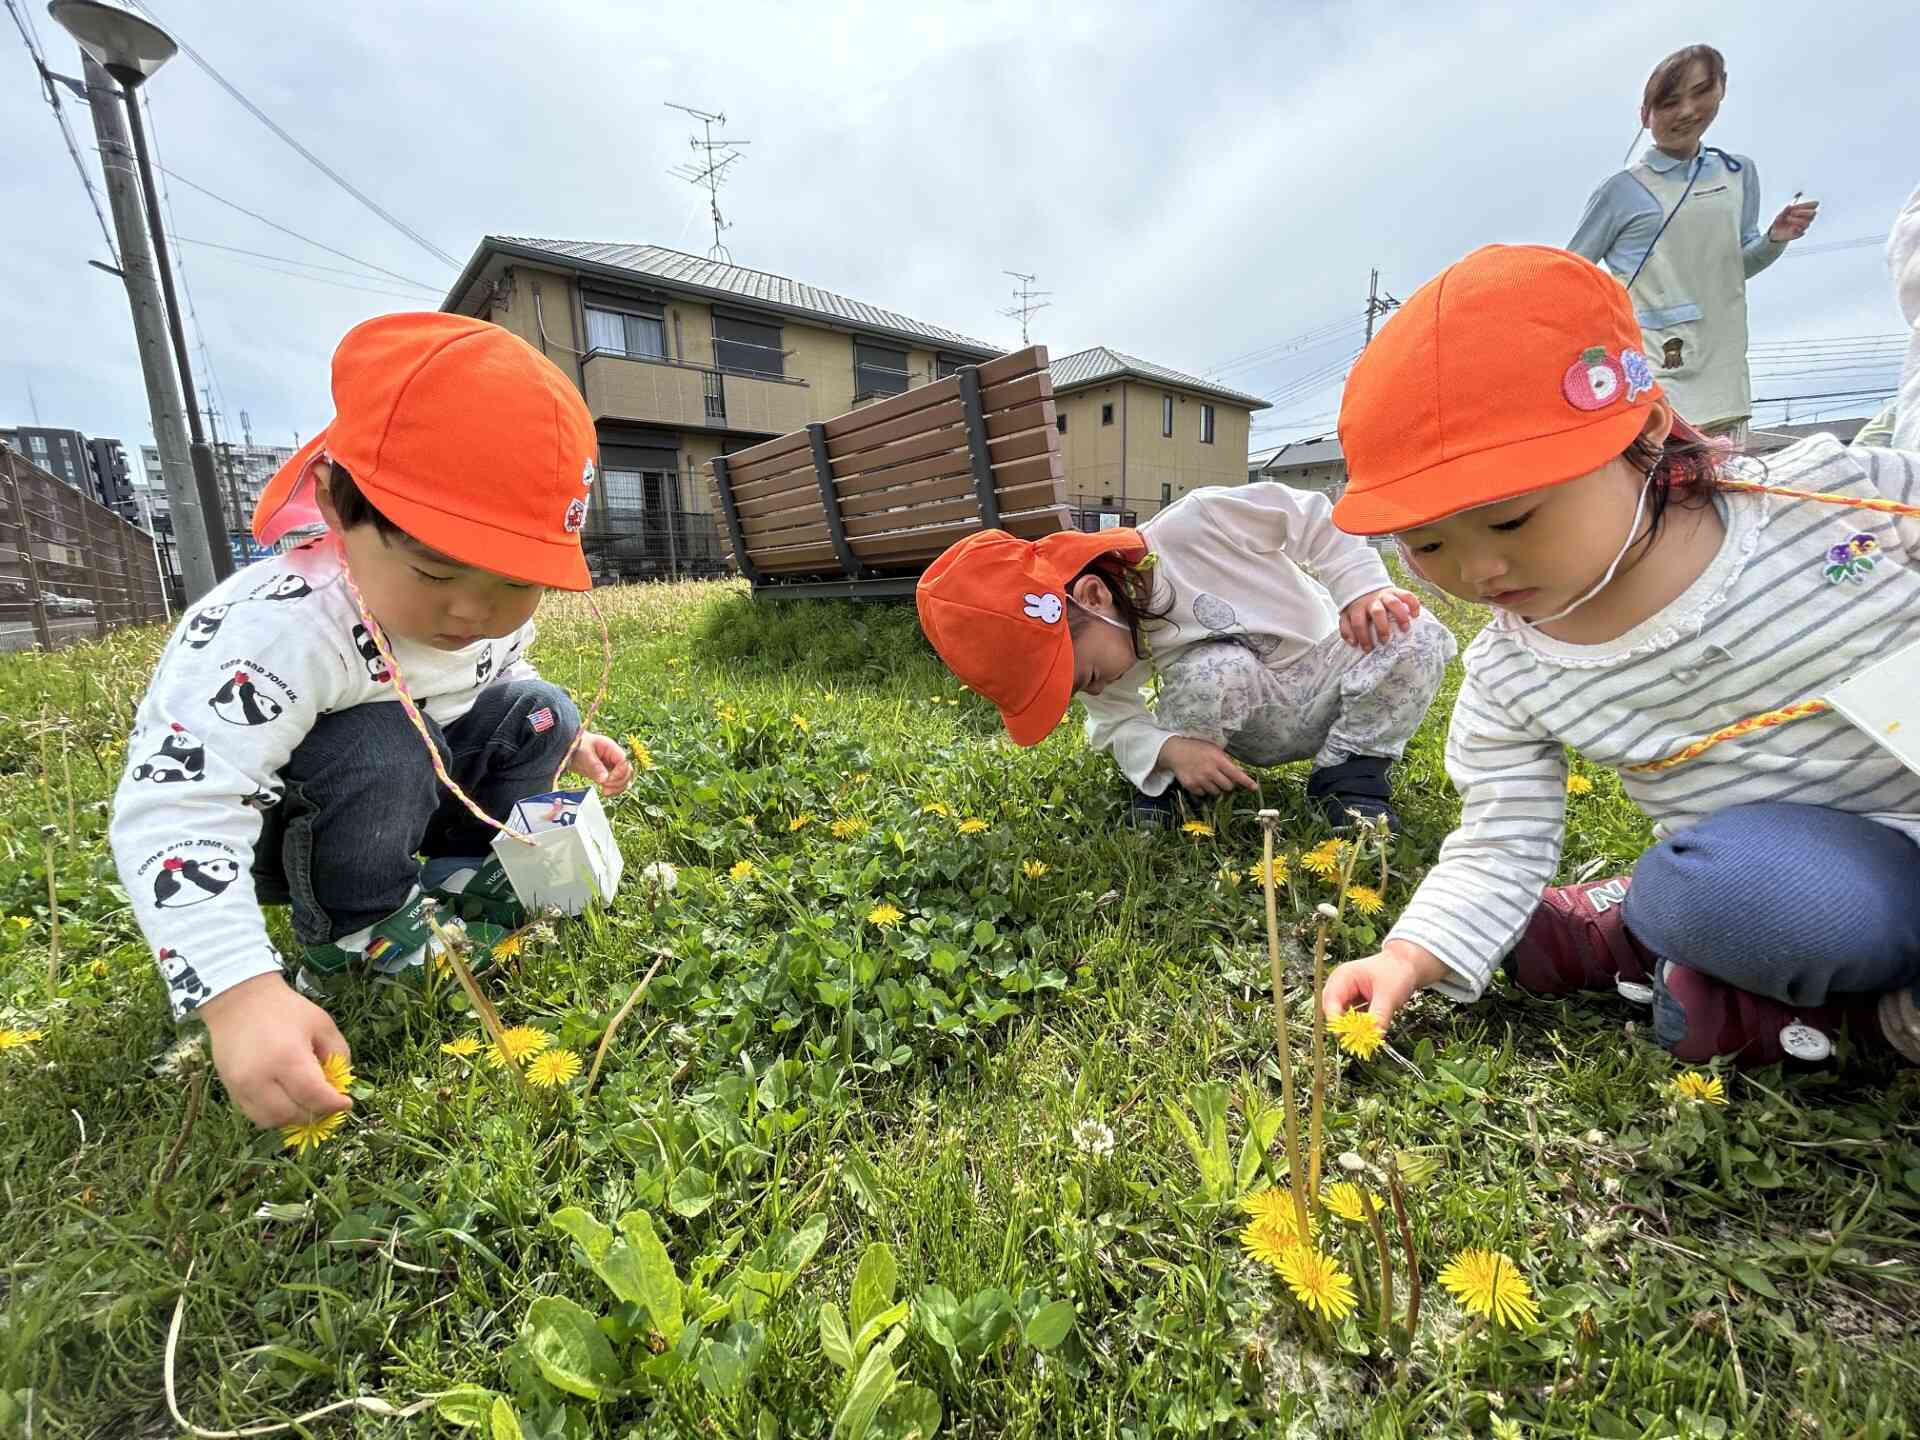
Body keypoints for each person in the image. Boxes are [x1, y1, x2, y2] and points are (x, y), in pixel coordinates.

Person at [1316, 244, 1920, 1068]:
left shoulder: (1826, 496)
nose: (1478, 569)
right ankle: (1679, 939)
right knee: (1718, 896)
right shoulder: (1512, 674)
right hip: (1822, 873)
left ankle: (1808, 1012)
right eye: (1426, 544)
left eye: (1513, 520)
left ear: (1645, 431)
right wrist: (1410, 956)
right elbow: (1501, 832)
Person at [109, 313, 634, 1129]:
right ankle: (355, 933)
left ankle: (459, 876)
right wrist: (238, 993)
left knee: (542, 712)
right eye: (435, 573)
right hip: (301, 826)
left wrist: (565, 742)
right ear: (334, 502)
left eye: (516, 584)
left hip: (416, 784)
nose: (472, 613)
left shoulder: (476, 619)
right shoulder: (279, 631)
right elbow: (181, 803)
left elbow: (493, 671)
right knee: (381, 737)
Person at [914, 484, 1457, 830]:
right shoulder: (1106, 644)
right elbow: (1114, 723)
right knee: (1212, 668)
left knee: (1414, 631)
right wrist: (1169, 749)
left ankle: (1351, 776)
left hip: (1326, 676)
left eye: (1087, 676)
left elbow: (1309, 516)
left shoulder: (1197, 525)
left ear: (1093, 597)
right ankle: (1177, 786)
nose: (1095, 690)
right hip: (1252, 722)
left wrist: (1361, 588)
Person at [1568, 43, 1819, 444]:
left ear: (1722, 89)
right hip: (1652, 373)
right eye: (1669, 102)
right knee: (1661, 480)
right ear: (1645, 115)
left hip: (1725, 369)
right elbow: (1570, 273)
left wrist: (1775, 240)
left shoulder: (1738, 173)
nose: (1686, 111)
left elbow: (1736, 266)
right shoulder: (1620, 191)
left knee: (1727, 481)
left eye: (1701, 92)